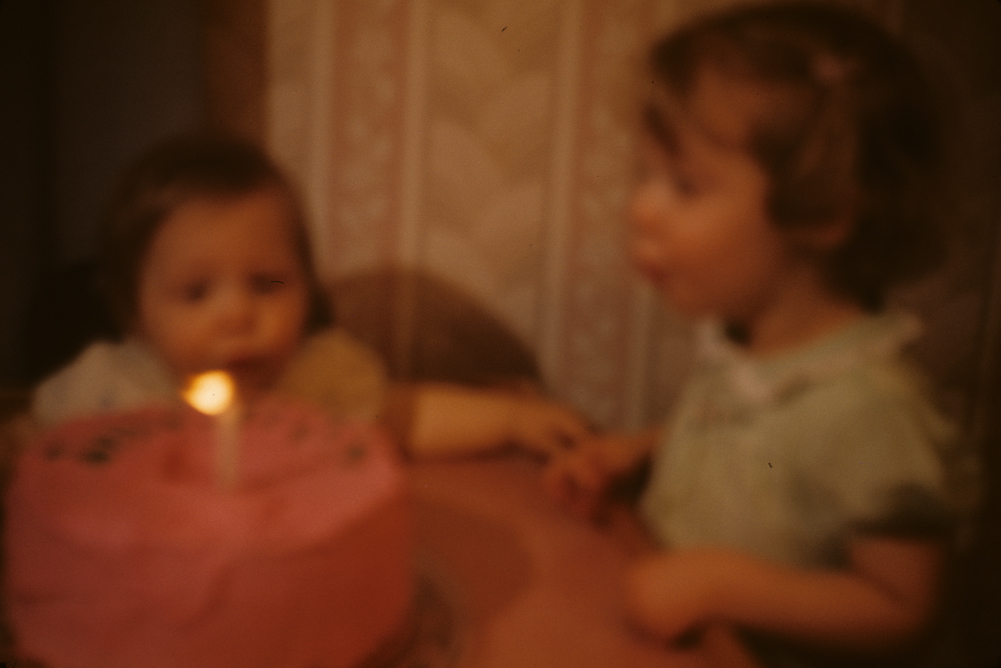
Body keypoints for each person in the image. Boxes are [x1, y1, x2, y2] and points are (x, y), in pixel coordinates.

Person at [545, 3, 977, 667]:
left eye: (685, 185)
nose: (640, 208)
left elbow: (903, 607)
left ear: (823, 211)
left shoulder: (873, 408)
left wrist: (723, 586)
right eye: (645, 177)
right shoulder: (747, 346)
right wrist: (642, 452)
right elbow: (756, 452)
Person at [30, 133, 588, 459]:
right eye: (197, 293)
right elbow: (29, 449)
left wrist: (513, 419)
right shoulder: (107, 394)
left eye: (267, 284)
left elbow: (409, 416)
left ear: (307, 287)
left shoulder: (320, 381)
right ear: (133, 314)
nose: (238, 315)